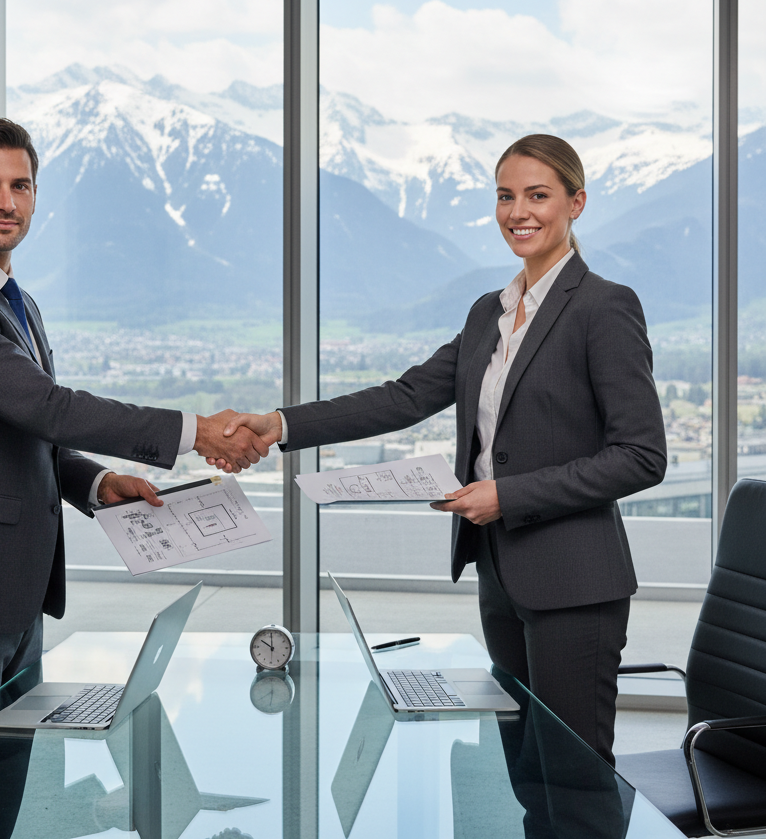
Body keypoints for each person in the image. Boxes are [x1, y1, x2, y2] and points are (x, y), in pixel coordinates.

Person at [215, 134, 667, 764]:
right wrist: (280, 425)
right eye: (506, 196)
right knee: (524, 771)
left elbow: (642, 455)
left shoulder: (604, 307)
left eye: (538, 195)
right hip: (500, 574)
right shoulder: (490, 311)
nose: (519, 212)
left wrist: (507, 496)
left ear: (577, 203)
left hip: (575, 583)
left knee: (576, 777)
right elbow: (404, 397)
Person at [0, 117, 267, 753]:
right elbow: (51, 406)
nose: (7, 203)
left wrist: (96, 482)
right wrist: (197, 431)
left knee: (1, 786)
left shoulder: (16, 302)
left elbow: (31, 430)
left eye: (21, 186)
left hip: (14, 590)